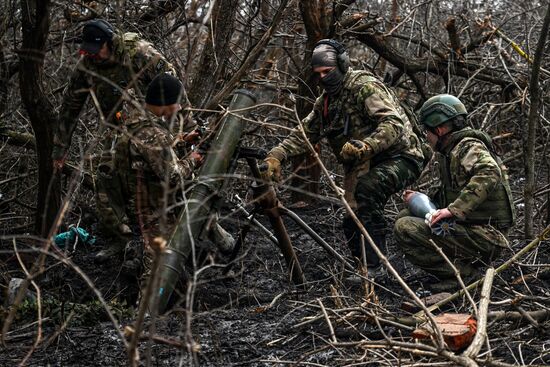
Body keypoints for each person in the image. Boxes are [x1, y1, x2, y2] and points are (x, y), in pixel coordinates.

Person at [262, 39, 425, 270]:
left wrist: (367, 145)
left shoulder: (364, 87)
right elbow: (305, 134)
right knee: (351, 217)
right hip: (363, 163)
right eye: (318, 74)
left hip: (401, 156)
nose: (323, 79)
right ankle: (363, 268)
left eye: (327, 72)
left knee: (367, 192)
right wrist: (277, 155)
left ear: (342, 64)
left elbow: (393, 124)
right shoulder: (326, 102)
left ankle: (376, 269)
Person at [51, 19, 179, 261]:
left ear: (109, 43)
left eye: (96, 50)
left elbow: (171, 85)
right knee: (107, 178)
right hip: (117, 130)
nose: (93, 56)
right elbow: (70, 106)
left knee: (161, 180)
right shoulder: (87, 66)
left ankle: (173, 236)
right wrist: (60, 149)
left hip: (151, 127)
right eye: (88, 51)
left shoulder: (139, 53)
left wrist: (175, 126)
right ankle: (121, 241)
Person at [107, 73, 234, 293]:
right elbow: (173, 175)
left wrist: (182, 140)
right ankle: (146, 312)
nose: (179, 107)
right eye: (177, 102)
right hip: (151, 206)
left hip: (147, 197)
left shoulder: (138, 117)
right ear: (166, 103)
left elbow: (152, 155)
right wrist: (192, 161)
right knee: (156, 265)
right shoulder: (153, 133)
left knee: (196, 220)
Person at [394, 94, 515, 292]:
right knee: (405, 215)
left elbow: (489, 172)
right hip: (475, 228)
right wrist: (421, 199)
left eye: (427, 131)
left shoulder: (467, 147)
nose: (426, 136)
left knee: (405, 227)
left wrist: (454, 210)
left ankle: (465, 275)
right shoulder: (452, 150)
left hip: (488, 236)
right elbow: (456, 191)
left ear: (439, 130)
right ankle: (463, 268)